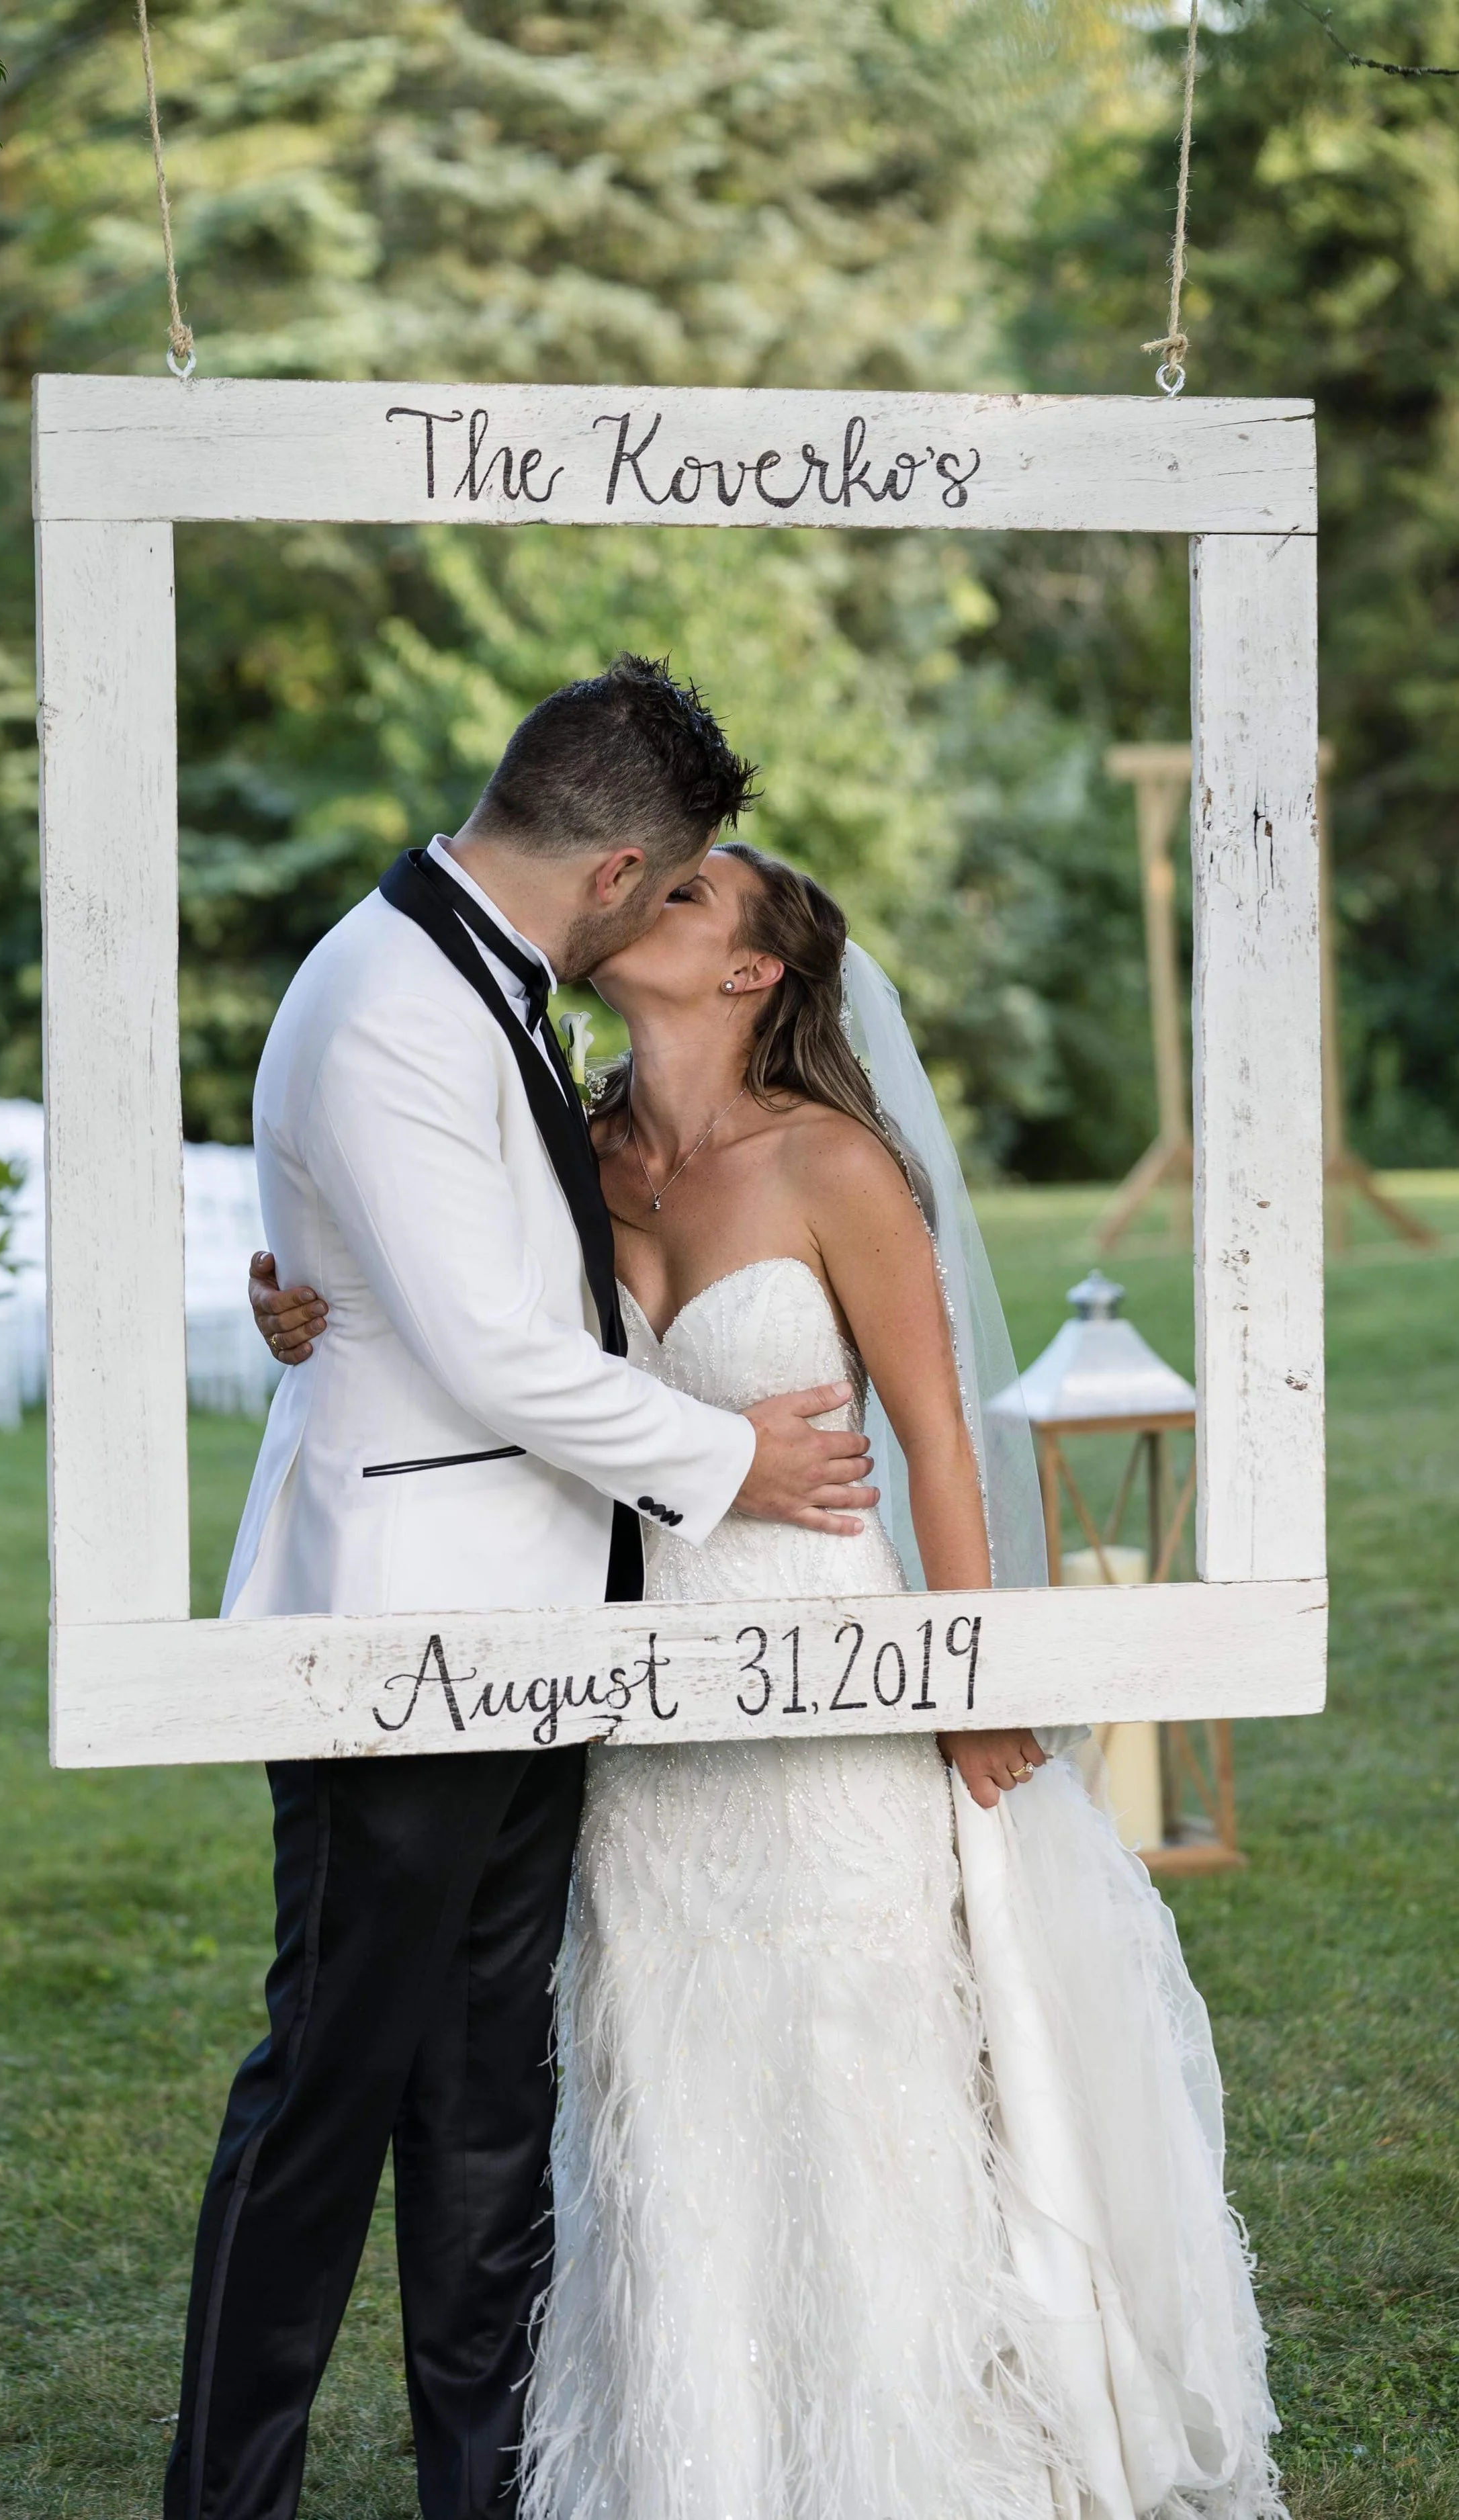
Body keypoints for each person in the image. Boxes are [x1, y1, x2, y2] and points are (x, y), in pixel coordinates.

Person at [255, 844, 1288, 2520]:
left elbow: (941, 1442)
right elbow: (445, 1302)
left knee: (848, 2074)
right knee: (670, 2099)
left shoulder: (833, 1167)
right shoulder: (563, 1158)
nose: (636, 897)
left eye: (682, 896)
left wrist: (974, 1674)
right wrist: (300, 1305)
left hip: (837, 1688)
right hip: (639, 1716)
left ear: (751, 974)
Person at [164, 658, 882, 2520]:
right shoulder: (388, 1000)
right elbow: (493, 1347)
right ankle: (225, 2489)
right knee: (332, 2082)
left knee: (489, 2098)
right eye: (673, 884)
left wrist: (310, 1297)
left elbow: (478, 1275)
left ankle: (475, 2487)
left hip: (549, 1623)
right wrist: (737, 1459)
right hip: (404, 1626)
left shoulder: (486, 978)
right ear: (619, 869)